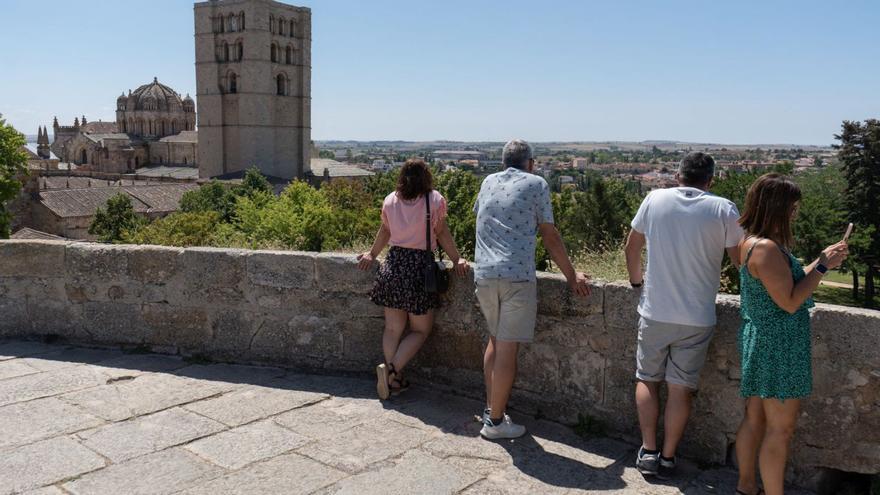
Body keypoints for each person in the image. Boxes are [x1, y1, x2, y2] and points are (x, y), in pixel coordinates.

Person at [624, 152, 743, 479]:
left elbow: (631, 249)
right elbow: (741, 262)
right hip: (697, 316)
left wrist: (637, 282)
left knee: (647, 379)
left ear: (678, 176)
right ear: (711, 180)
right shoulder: (723, 208)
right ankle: (668, 457)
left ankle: (648, 451)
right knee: (680, 389)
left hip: (655, 310)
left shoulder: (654, 199)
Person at [734, 174, 847, 495]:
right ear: (777, 209)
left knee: (754, 420)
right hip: (779, 347)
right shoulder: (768, 249)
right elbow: (790, 301)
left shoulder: (752, 242)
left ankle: (745, 486)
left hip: (762, 341)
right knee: (780, 431)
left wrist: (821, 260)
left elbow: (789, 284)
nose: (795, 213)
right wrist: (824, 268)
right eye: (792, 207)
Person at [474, 139, 591, 440]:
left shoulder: (488, 181)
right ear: (531, 163)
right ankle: (496, 423)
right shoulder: (537, 184)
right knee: (507, 349)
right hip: (515, 276)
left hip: (484, 273)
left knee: (495, 341)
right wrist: (572, 276)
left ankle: (491, 410)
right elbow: (549, 236)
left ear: (503, 162)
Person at [358, 159, 469, 400]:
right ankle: (393, 372)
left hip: (394, 264)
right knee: (420, 330)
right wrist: (457, 259)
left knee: (392, 328)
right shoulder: (434, 200)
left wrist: (371, 254)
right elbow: (442, 233)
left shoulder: (390, 200)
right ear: (426, 177)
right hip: (419, 267)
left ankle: (392, 379)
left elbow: (385, 231)